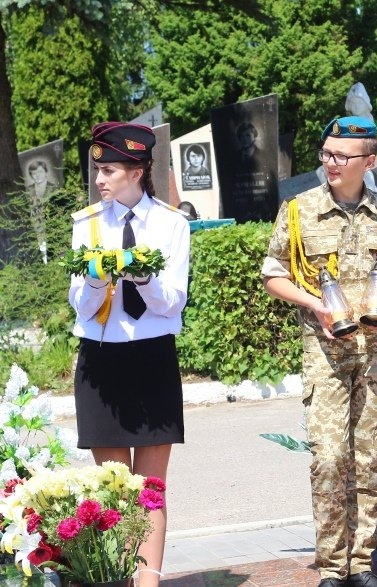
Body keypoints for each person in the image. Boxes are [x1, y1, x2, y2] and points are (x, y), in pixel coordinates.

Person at [261, 115, 377, 587]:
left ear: (368, 161)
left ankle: (362, 564)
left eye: (342, 156)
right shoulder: (298, 210)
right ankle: (331, 566)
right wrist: (314, 304)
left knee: (367, 458)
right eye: (327, 153)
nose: (331, 162)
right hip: (326, 354)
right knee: (328, 458)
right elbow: (273, 274)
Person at [68, 122, 191, 586]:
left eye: (110, 170)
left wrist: (144, 278)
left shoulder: (172, 224)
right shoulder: (86, 224)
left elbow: (173, 303)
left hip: (152, 359)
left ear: (137, 172)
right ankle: (124, 578)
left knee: (150, 489)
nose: (100, 179)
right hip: (101, 361)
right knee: (116, 491)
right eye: (98, 170)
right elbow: (79, 306)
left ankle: (149, 581)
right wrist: (95, 278)